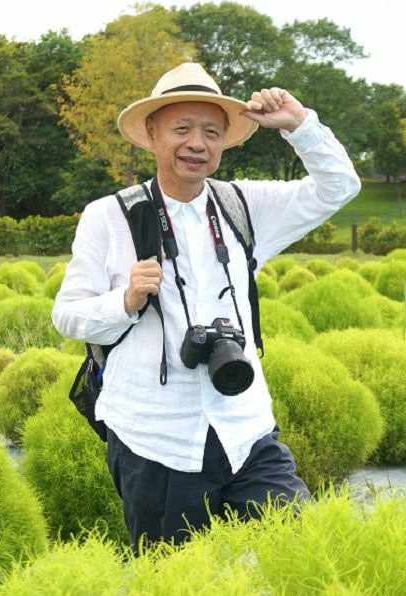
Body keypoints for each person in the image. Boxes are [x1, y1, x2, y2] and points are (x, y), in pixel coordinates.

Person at [51, 62, 361, 550]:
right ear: (151, 132)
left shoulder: (244, 205)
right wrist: (125, 301)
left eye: (211, 132)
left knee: (300, 549)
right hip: (155, 441)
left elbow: (340, 187)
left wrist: (300, 125)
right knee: (174, 581)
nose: (197, 143)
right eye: (182, 128)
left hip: (246, 430)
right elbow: (67, 315)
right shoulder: (109, 216)